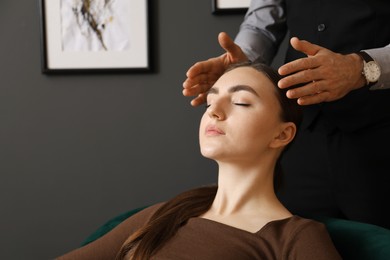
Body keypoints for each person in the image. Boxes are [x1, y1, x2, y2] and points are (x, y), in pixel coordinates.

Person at [56, 62, 341, 259]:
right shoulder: (170, 212)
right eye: (209, 102)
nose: (214, 111)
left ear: (282, 134)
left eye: (240, 101)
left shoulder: (296, 237)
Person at [182, 0, 390, 229]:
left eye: (241, 102)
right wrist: (243, 61)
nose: (215, 113)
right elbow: (262, 22)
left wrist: (363, 68)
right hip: (302, 136)